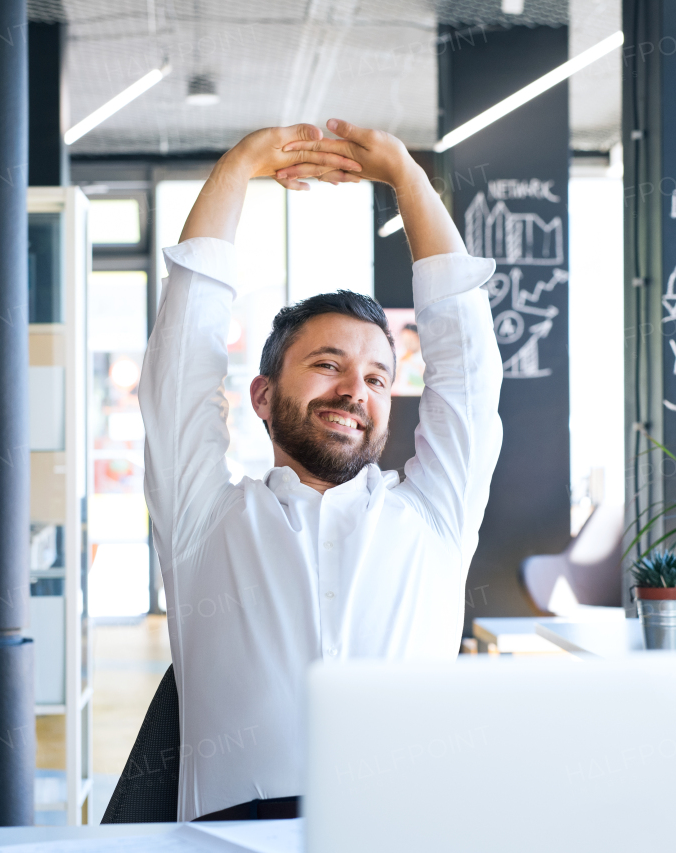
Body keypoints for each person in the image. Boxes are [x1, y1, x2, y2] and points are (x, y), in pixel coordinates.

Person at [141, 119, 503, 821]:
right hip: (230, 839)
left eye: (376, 377)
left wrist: (406, 175)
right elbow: (181, 360)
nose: (353, 391)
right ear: (263, 395)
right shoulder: (205, 520)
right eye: (327, 365)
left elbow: (469, 372)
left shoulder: (434, 517)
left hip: (406, 829)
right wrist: (239, 163)